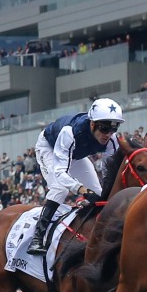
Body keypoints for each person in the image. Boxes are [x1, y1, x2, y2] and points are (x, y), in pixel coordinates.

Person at [27, 98, 124, 255]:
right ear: (92, 124)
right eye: (105, 128)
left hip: (75, 155)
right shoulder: (70, 132)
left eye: (114, 128)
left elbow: (109, 174)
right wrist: (82, 190)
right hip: (50, 148)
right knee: (60, 189)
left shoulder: (112, 141)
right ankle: (37, 238)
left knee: (99, 193)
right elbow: (60, 172)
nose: (109, 134)